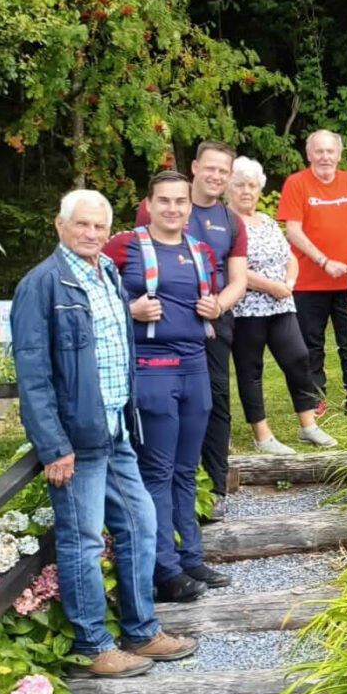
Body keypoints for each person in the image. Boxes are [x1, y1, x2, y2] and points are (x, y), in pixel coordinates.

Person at [13, 189, 197, 678]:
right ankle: (93, 644)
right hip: (76, 440)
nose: (91, 234)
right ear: (60, 225)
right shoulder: (43, 285)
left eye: (99, 227)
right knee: (83, 541)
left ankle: (141, 631)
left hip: (116, 427)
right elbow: (32, 373)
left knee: (140, 525)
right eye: (82, 225)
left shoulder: (108, 273)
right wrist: (54, 445)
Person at [105, 172, 232, 602]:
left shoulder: (200, 250)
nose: (173, 209)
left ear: (189, 207)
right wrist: (129, 308)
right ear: (149, 203)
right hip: (153, 367)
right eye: (164, 201)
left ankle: (191, 558)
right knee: (156, 471)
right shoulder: (125, 246)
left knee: (186, 468)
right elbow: (93, 296)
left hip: (195, 366)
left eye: (180, 201)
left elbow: (209, 300)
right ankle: (164, 568)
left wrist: (213, 307)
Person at [135, 141, 248, 515]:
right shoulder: (161, 206)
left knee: (215, 401)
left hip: (212, 321)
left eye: (224, 171)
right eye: (210, 168)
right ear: (196, 168)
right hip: (161, 330)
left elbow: (238, 280)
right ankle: (161, 487)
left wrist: (219, 304)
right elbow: (135, 260)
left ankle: (214, 488)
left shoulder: (231, 221)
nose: (216, 176)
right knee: (162, 406)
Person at [225, 157, 338, 453]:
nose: (246, 191)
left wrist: (287, 283)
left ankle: (308, 426)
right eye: (239, 185)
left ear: (259, 189)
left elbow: (289, 257)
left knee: (299, 359)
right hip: (246, 309)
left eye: (252, 185)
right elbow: (230, 267)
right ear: (229, 188)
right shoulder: (225, 224)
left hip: (281, 305)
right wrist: (271, 287)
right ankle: (262, 436)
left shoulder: (268, 221)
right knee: (251, 370)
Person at [278, 129, 347, 414]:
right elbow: (292, 231)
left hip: (346, 281)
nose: (325, 157)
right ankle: (315, 397)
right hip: (307, 282)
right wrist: (323, 261)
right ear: (309, 155)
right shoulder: (296, 183)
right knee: (311, 344)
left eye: (330, 151)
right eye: (318, 151)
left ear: (339, 155)